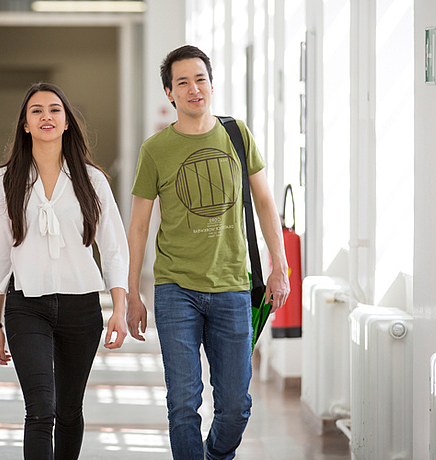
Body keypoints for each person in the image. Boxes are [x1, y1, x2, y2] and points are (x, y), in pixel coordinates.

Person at [125, 45, 289, 460]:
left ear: (212, 85)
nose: (194, 89)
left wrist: (279, 267)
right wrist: (131, 292)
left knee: (235, 406)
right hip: (175, 289)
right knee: (183, 403)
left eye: (200, 79)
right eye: (183, 82)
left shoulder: (237, 133)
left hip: (233, 286)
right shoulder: (155, 150)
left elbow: (266, 202)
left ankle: (216, 455)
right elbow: (139, 225)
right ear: (170, 94)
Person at [0, 82, 129, 460]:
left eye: (54, 110)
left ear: (67, 123)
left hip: (81, 307)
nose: (45, 116)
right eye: (36, 111)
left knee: (68, 411)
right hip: (26, 305)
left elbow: (113, 247)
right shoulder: (5, 181)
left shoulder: (92, 180)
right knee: (40, 410)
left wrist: (119, 308)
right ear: (25, 125)